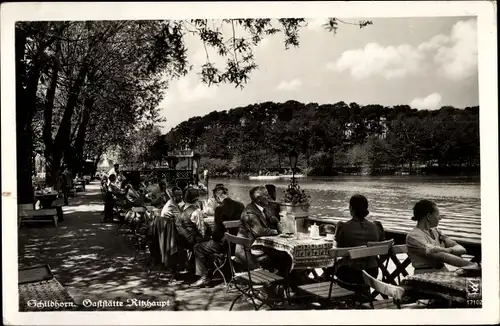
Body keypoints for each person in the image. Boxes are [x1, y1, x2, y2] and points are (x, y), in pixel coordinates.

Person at [191, 184, 245, 287]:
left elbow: (217, 234)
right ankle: (214, 270)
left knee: (198, 247)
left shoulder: (220, 209)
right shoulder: (241, 205)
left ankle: (204, 276)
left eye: (216, 199)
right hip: (238, 244)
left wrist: (210, 237)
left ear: (217, 197)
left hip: (225, 244)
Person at [406, 199, 470, 274]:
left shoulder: (436, 231)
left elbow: (461, 249)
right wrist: (470, 265)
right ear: (429, 216)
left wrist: (449, 250)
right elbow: (437, 254)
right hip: (425, 276)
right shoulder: (413, 236)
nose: (440, 218)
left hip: (442, 273)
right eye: (437, 215)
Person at [333, 194, 385, 286]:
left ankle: (331, 295)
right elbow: (383, 248)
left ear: (351, 208)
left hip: (350, 273)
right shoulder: (376, 227)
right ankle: (361, 295)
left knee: (330, 269)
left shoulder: (343, 227)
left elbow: (337, 250)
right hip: (372, 272)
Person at [235, 186, 284, 271]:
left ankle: (288, 277)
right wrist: (277, 231)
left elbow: (270, 220)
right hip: (249, 250)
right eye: (266, 195)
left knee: (285, 254)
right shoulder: (249, 212)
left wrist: (275, 222)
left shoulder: (261, 208)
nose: (269, 197)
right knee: (283, 255)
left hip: (259, 245)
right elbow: (259, 231)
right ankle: (284, 278)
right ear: (258, 199)